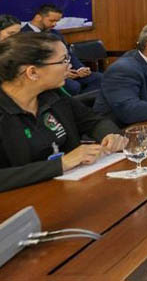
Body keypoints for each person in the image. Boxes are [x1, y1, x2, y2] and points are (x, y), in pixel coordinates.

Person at [0, 33, 126, 192]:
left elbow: (94, 121)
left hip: (70, 188)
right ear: (32, 72)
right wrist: (61, 164)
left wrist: (110, 135)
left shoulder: (53, 95)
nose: (70, 66)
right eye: (63, 60)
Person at [20, 4, 102, 95]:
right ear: (38, 17)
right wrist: (62, 72)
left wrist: (80, 68)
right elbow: (33, 61)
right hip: (49, 74)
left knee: (99, 78)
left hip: (70, 71)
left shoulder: (55, 33)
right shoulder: (23, 35)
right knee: (73, 87)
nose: (54, 24)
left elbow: (68, 53)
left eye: (57, 21)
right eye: (52, 20)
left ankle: (82, 105)